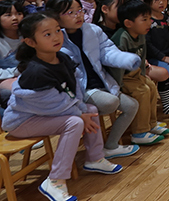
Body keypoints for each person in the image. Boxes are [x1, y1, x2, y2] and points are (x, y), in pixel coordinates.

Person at [2, 13, 122, 201]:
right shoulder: (36, 71)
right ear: (31, 42)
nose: (56, 37)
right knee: (75, 122)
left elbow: (74, 90)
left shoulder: (63, 58)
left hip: (45, 115)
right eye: (47, 34)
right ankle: (55, 180)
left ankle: (95, 158)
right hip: (22, 121)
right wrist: (78, 114)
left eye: (58, 30)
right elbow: (50, 104)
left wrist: (81, 109)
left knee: (90, 110)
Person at [48, 0, 143, 158]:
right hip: (81, 90)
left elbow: (108, 51)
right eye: (70, 12)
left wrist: (127, 59)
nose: (78, 15)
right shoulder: (56, 39)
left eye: (80, 10)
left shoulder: (92, 30)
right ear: (56, 17)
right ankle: (95, 150)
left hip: (103, 83)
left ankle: (111, 146)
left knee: (132, 105)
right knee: (110, 102)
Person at [111, 0, 169, 145]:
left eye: (149, 18)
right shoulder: (122, 38)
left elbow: (142, 57)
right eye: (144, 19)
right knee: (142, 91)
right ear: (128, 23)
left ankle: (151, 124)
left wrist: (143, 75)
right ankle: (139, 132)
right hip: (122, 78)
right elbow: (115, 66)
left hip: (136, 74)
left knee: (150, 86)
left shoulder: (141, 33)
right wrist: (117, 86)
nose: (150, 22)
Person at [0, 0, 23, 110]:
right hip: (5, 78)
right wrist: (17, 71)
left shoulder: (28, 36)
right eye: (8, 15)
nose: (15, 18)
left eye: (19, 13)